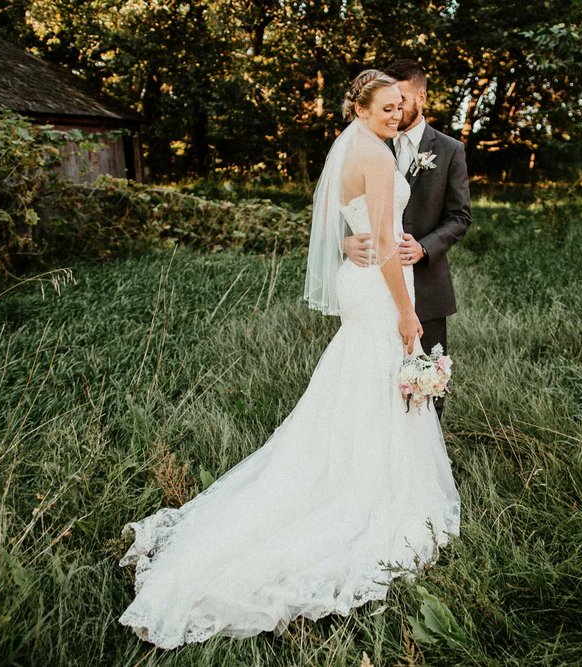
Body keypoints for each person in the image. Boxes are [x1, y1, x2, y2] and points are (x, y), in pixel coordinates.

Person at [117, 70, 461, 649]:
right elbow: (375, 237)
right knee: (381, 372)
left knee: (362, 378)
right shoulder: (375, 156)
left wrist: (365, 248)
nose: (395, 115)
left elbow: (359, 223)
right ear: (360, 107)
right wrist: (408, 314)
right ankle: (365, 488)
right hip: (381, 287)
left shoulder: (352, 146)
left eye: (400, 106)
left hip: (365, 281)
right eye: (384, 108)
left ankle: (347, 463)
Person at [344, 59, 471, 419]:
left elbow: (460, 217)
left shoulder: (448, 150)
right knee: (375, 380)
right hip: (375, 283)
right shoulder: (370, 141)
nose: (396, 110)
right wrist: (345, 242)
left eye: (401, 100)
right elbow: (345, 202)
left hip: (427, 286)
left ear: (421, 97)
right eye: (390, 103)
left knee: (426, 379)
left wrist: (425, 246)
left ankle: (425, 458)